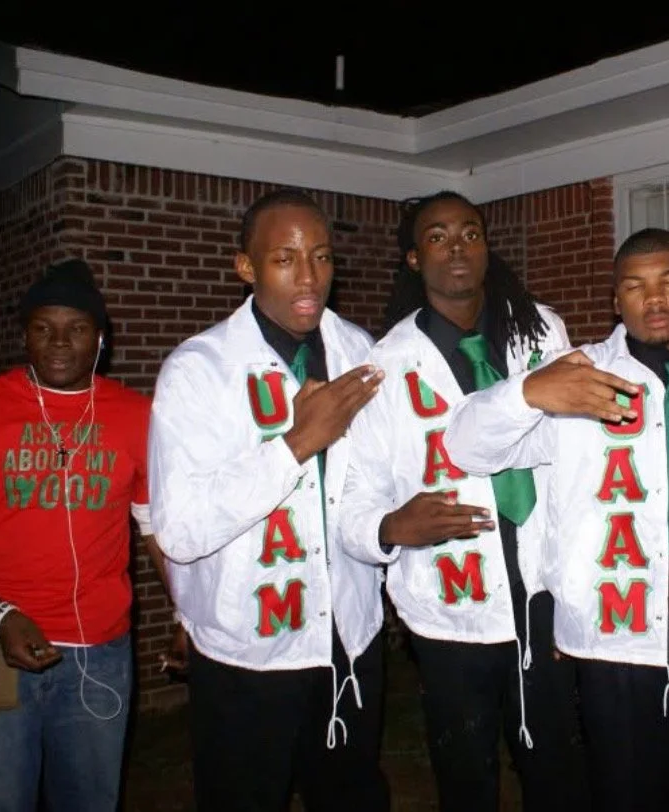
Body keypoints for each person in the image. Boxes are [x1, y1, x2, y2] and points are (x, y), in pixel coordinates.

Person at [443, 225, 669, 812]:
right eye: (635, 287)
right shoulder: (579, 377)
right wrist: (528, 394)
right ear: (614, 299)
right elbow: (467, 446)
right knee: (629, 788)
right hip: (620, 632)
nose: (654, 300)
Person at [339, 191, 586, 812]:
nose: (458, 248)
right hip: (451, 608)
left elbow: (575, 450)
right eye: (439, 236)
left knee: (558, 770)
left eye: (470, 233)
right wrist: (391, 526)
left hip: (543, 593)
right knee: (466, 778)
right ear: (413, 257)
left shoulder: (542, 329)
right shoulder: (387, 366)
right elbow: (354, 505)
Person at [148, 189, 389, 812]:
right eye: (284, 258)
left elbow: (376, 480)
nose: (309, 277)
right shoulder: (199, 369)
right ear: (246, 267)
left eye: (322, 257)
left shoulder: (360, 353)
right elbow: (179, 529)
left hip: (349, 638)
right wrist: (295, 445)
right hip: (248, 653)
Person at [0, 260, 154, 812]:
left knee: (90, 800)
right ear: (24, 333)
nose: (59, 342)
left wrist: (191, 617)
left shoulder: (138, 416)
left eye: (76, 328)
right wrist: (0, 616)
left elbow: (156, 530)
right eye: (43, 328)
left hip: (101, 651)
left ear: (101, 337)